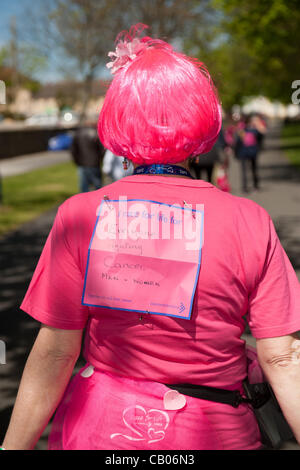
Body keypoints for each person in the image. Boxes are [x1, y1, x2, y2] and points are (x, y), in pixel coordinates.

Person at [2, 24, 300, 451]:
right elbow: (283, 356)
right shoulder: (248, 220)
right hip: (215, 430)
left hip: (103, 430)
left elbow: (55, 352)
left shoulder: (81, 216)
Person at [234, 114, 266, 193]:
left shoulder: (247, 130)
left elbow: (262, 137)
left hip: (248, 152)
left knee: (250, 170)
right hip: (248, 152)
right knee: (249, 170)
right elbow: (238, 141)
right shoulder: (248, 130)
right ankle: (250, 186)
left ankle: (250, 186)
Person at [70, 121, 105, 192]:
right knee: (97, 186)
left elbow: (73, 150)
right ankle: (98, 201)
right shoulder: (96, 134)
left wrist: (76, 161)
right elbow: (102, 150)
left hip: (82, 163)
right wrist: (100, 159)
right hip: (94, 163)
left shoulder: (78, 134)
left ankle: (84, 202)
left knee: (84, 186)